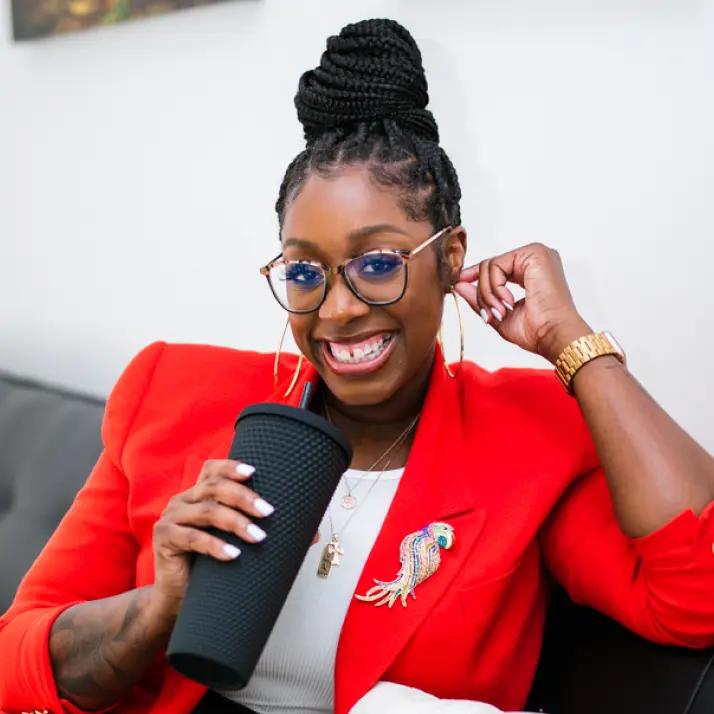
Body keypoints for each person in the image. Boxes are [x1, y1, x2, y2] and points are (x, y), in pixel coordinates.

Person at [1, 17, 713, 714]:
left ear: (451, 255)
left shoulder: (533, 436)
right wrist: (155, 611)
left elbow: (697, 598)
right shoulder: (171, 394)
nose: (337, 309)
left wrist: (572, 343)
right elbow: (15, 665)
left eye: (377, 264)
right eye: (305, 271)